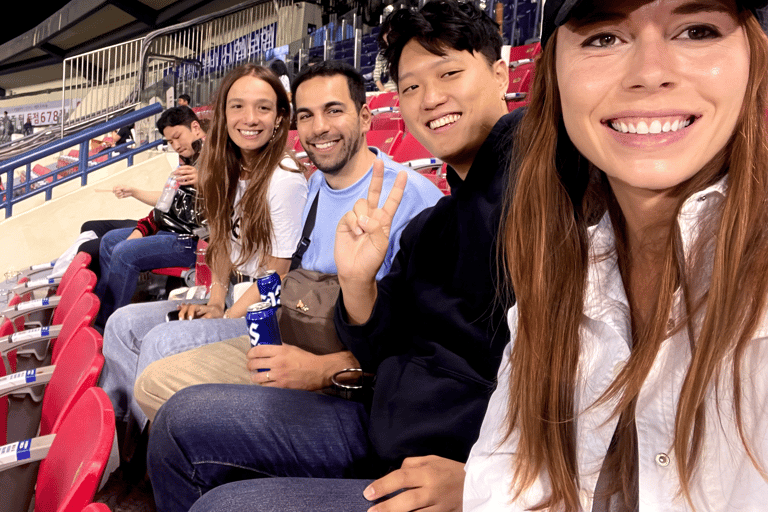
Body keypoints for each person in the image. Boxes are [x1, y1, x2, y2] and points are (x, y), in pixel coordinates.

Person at [148, 3, 514, 511]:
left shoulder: (533, 198)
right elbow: (390, 335)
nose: (431, 98)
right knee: (177, 422)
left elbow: (568, 377)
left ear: (502, 74)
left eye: (450, 72)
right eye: (410, 87)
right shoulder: (440, 221)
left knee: (223, 503)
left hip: (439, 453)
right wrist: (359, 283)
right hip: (383, 409)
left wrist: (492, 482)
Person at [464, 0, 768, 511]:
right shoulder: (558, 266)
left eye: (697, 31)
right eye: (603, 37)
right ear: (553, 73)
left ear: (754, 59)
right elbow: (506, 485)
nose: (650, 73)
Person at [132, 61, 442, 423]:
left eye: (334, 110)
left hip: (351, 382)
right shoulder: (316, 187)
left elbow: (427, 340)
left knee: (183, 418)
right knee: (155, 382)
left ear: (365, 117)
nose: (319, 127)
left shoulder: (413, 198)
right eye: (307, 115)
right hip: (293, 334)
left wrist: (322, 369)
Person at [98, 64, 308, 437]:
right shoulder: (228, 168)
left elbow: (277, 272)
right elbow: (224, 243)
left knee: (161, 341)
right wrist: (215, 300)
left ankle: (154, 449)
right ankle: (121, 433)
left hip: (259, 311)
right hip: (229, 297)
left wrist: (227, 316)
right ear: (223, 114)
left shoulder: (284, 177)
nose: (250, 118)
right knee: (121, 324)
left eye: (263, 108)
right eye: (238, 106)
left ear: (279, 118)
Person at [93, 106, 205, 324]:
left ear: (195, 127)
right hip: (171, 230)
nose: (176, 146)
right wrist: (138, 218)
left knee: (125, 252)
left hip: (194, 241)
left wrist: (204, 182)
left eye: (177, 137)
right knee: (108, 242)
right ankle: (102, 313)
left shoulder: (218, 156)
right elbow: (167, 202)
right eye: (170, 142)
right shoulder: (187, 159)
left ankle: (108, 325)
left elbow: (232, 197)